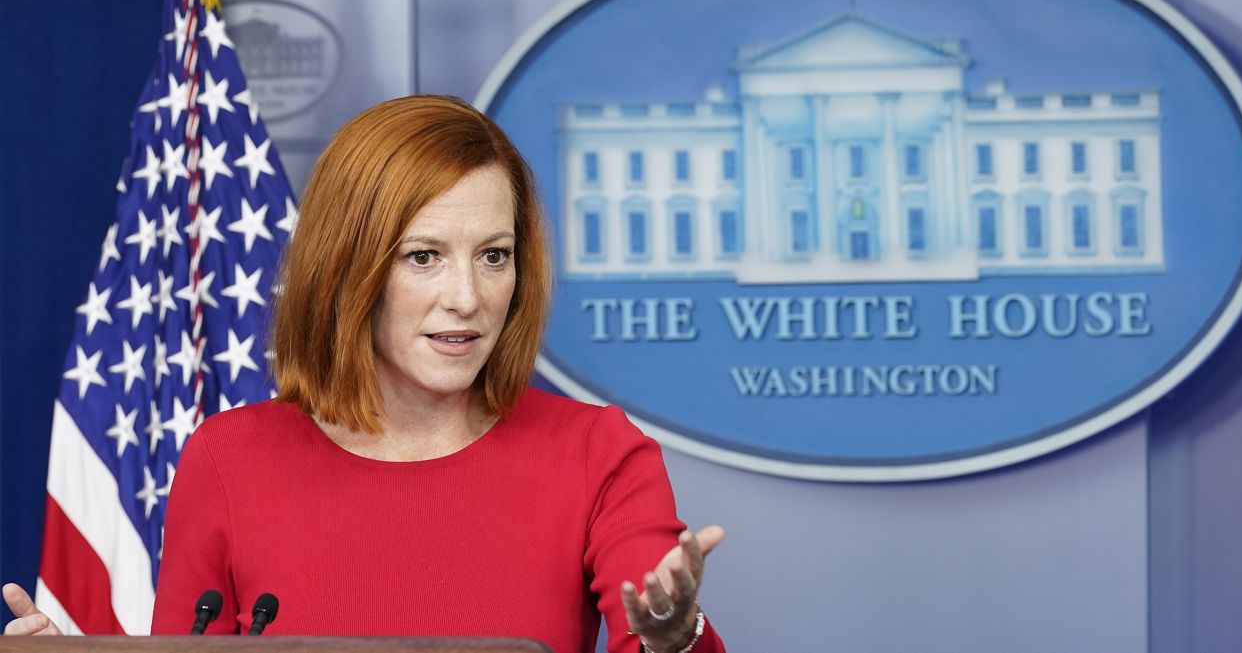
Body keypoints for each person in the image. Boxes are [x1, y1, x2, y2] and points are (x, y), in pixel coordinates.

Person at [4, 95, 726, 653]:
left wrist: (675, 636)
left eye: (494, 255)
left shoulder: (596, 451)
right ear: (348, 269)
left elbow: (656, 627)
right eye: (424, 256)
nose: (468, 297)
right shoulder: (228, 458)